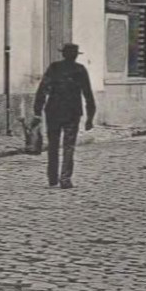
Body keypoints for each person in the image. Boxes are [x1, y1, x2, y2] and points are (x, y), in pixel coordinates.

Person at [33, 43, 96, 188]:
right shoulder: (80, 70)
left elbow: (43, 89)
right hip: (72, 112)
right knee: (69, 146)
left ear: (63, 54)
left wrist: (37, 111)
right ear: (75, 55)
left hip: (53, 111)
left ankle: (52, 177)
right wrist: (90, 118)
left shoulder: (54, 68)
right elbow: (88, 95)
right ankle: (65, 178)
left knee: (53, 145)